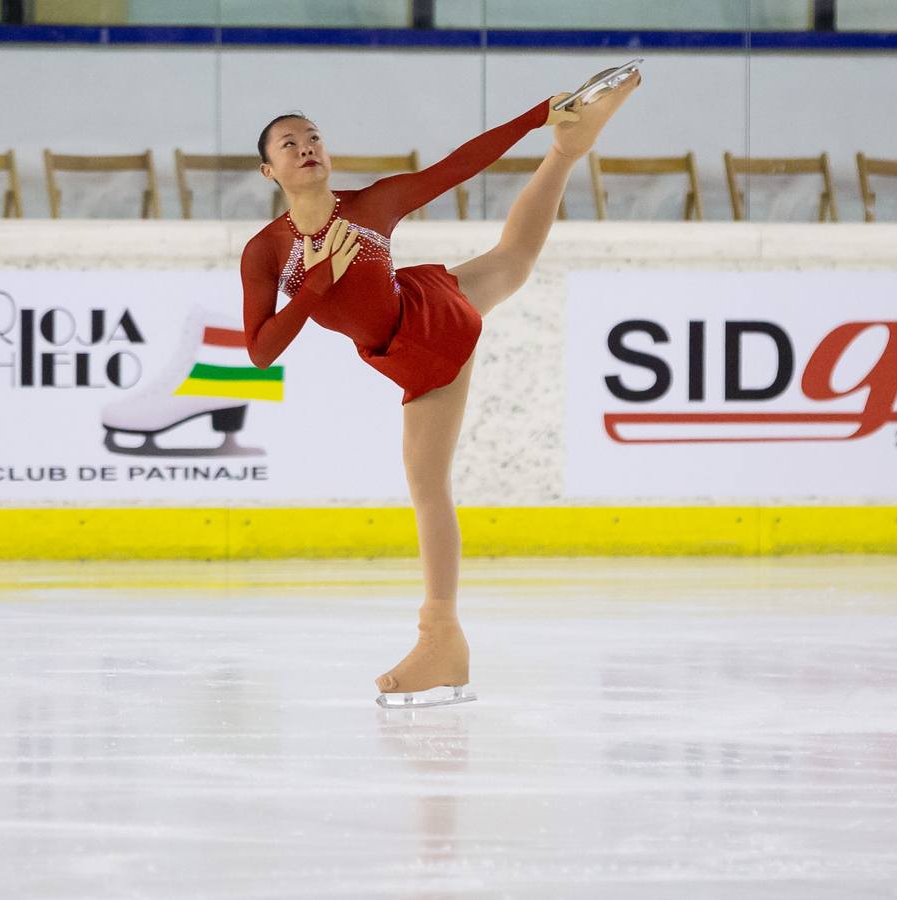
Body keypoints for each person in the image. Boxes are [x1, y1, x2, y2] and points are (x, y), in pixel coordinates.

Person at [240, 73, 641, 707]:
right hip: (423, 305)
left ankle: (441, 639)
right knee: (511, 260)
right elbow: (259, 352)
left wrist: (538, 113)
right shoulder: (266, 254)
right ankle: (569, 153)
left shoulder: (371, 206)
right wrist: (317, 284)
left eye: (313, 137)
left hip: (425, 341)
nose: (306, 147)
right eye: (289, 144)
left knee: (428, 484)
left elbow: (459, 166)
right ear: (269, 171)